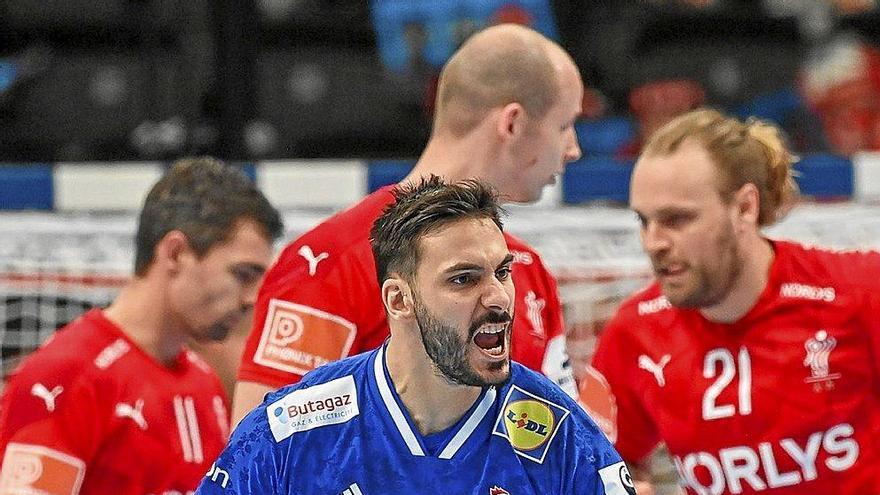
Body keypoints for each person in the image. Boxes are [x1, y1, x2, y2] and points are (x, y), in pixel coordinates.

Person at [232, 23, 585, 423]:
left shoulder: (529, 272)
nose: (573, 149)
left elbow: (562, 447)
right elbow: (260, 455)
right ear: (513, 124)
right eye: (564, 125)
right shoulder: (332, 263)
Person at [197, 177, 635, 494]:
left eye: (502, 273)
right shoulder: (292, 431)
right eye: (464, 280)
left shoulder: (563, 437)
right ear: (399, 300)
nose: (499, 297)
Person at [591, 108, 880, 494]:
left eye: (677, 219)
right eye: (644, 221)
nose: (653, 243)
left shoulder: (858, 290)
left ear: (745, 208)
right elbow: (593, 464)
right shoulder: (633, 331)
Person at [0, 157, 284, 494]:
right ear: (175, 253)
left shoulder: (203, 382)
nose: (253, 298)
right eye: (242, 274)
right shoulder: (64, 378)